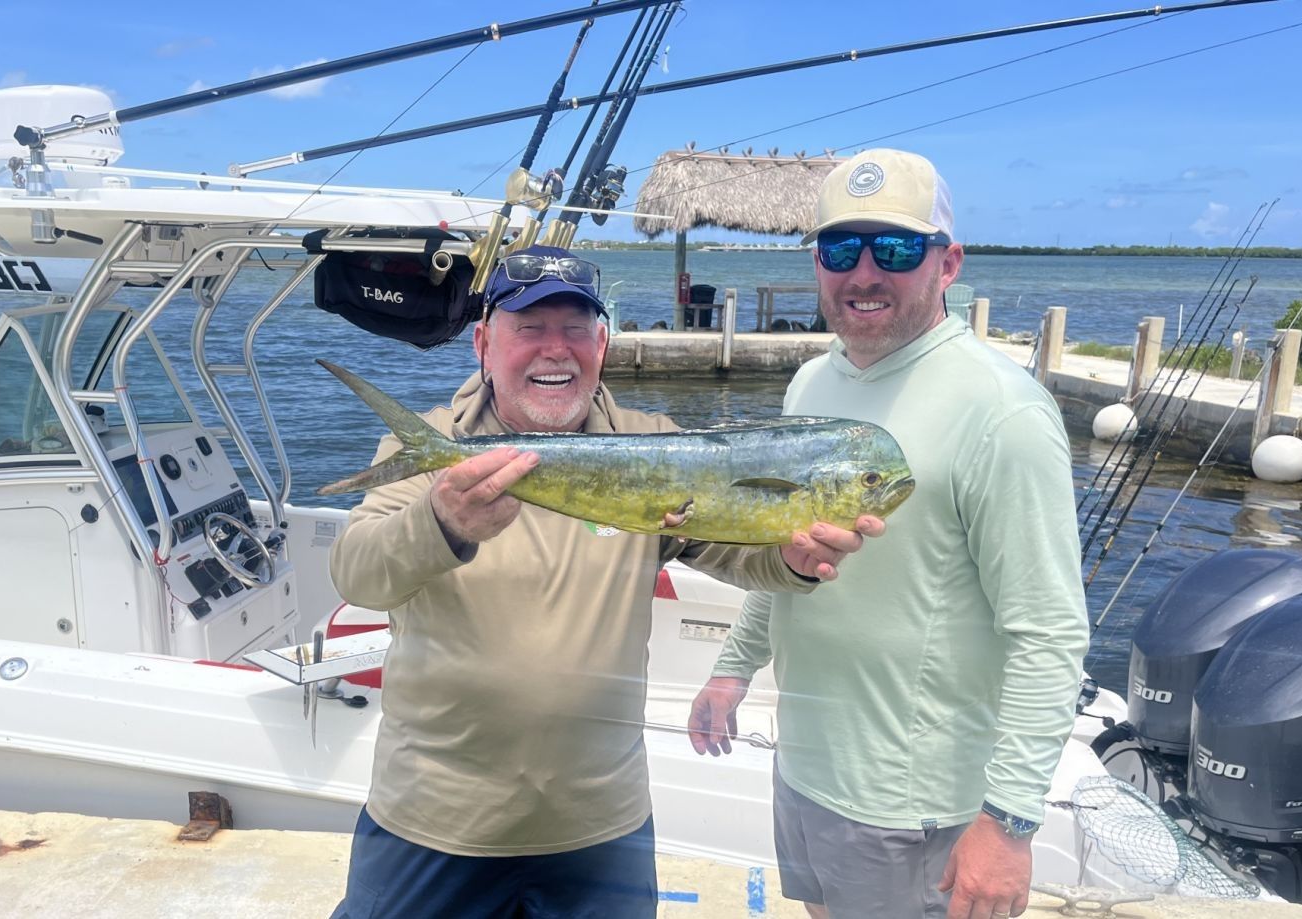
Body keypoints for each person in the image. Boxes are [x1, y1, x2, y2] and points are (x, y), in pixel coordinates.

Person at [326, 245, 884, 919]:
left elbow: (740, 555)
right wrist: (440, 522)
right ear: (483, 343)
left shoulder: (658, 447)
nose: (555, 349)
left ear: (602, 346)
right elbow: (358, 573)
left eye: (575, 330)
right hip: (433, 818)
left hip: (600, 825)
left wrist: (796, 559)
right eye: (530, 328)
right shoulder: (431, 450)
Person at [687, 150, 1090, 919]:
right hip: (804, 765)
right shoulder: (813, 382)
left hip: (913, 808)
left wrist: (1008, 821)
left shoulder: (1004, 411)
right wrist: (734, 667)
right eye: (842, 248)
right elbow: (788, 556)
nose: (864, 272)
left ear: (949, 263)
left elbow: (1049, 633)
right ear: (817, 262)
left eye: (897, 248)